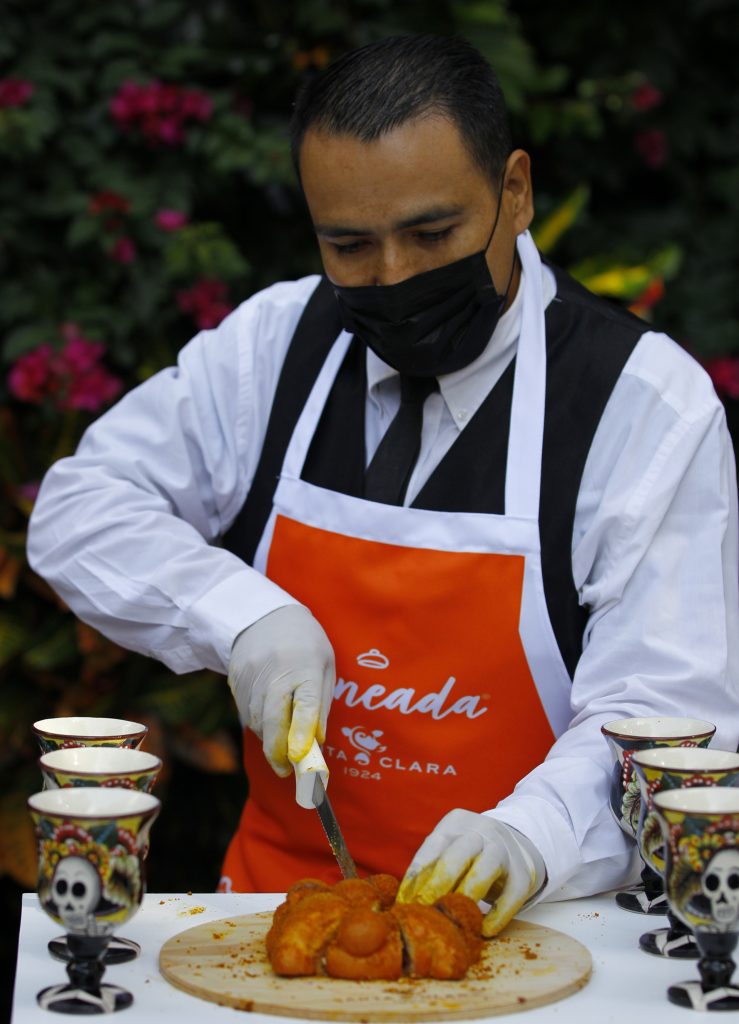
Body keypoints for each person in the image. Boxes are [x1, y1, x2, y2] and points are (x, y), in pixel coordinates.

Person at [27, 34, 739, 938]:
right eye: (350, 244)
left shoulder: (641, 405)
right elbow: (81, 507)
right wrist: (240, 614)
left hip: (545, 936)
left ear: (513, 193)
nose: (395, 278)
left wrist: (529, 837)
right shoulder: (274, 346)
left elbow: (668, 714)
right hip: (265, 925)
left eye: (432, 233)